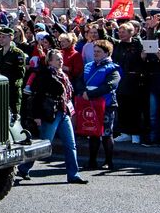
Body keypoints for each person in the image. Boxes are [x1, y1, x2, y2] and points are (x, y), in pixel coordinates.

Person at [18, 50, 87, 184]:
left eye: (61, 59)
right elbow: (37, 97)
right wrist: (37, 116)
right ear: (49, 61)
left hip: (64, 112)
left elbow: (68, 96)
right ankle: (24, 167)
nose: (60, 61)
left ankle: (73, 174)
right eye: (57, 59)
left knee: (70, 144)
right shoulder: (44, 75)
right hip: (50, 113)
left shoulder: (64, 76)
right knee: (44, 144)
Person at [80, 39, 121, 170]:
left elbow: (111, 85)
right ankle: (92, 161)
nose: (95, 53)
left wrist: (91, 94)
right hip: (90, 104)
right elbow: (79, 81)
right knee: (92, 133)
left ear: (107, 53)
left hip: (106, 105)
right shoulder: (88, 66)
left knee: (106, 134)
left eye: (99, 51)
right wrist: (83, 92)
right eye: (94, 51)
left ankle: (109, 161)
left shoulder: (113, 68)